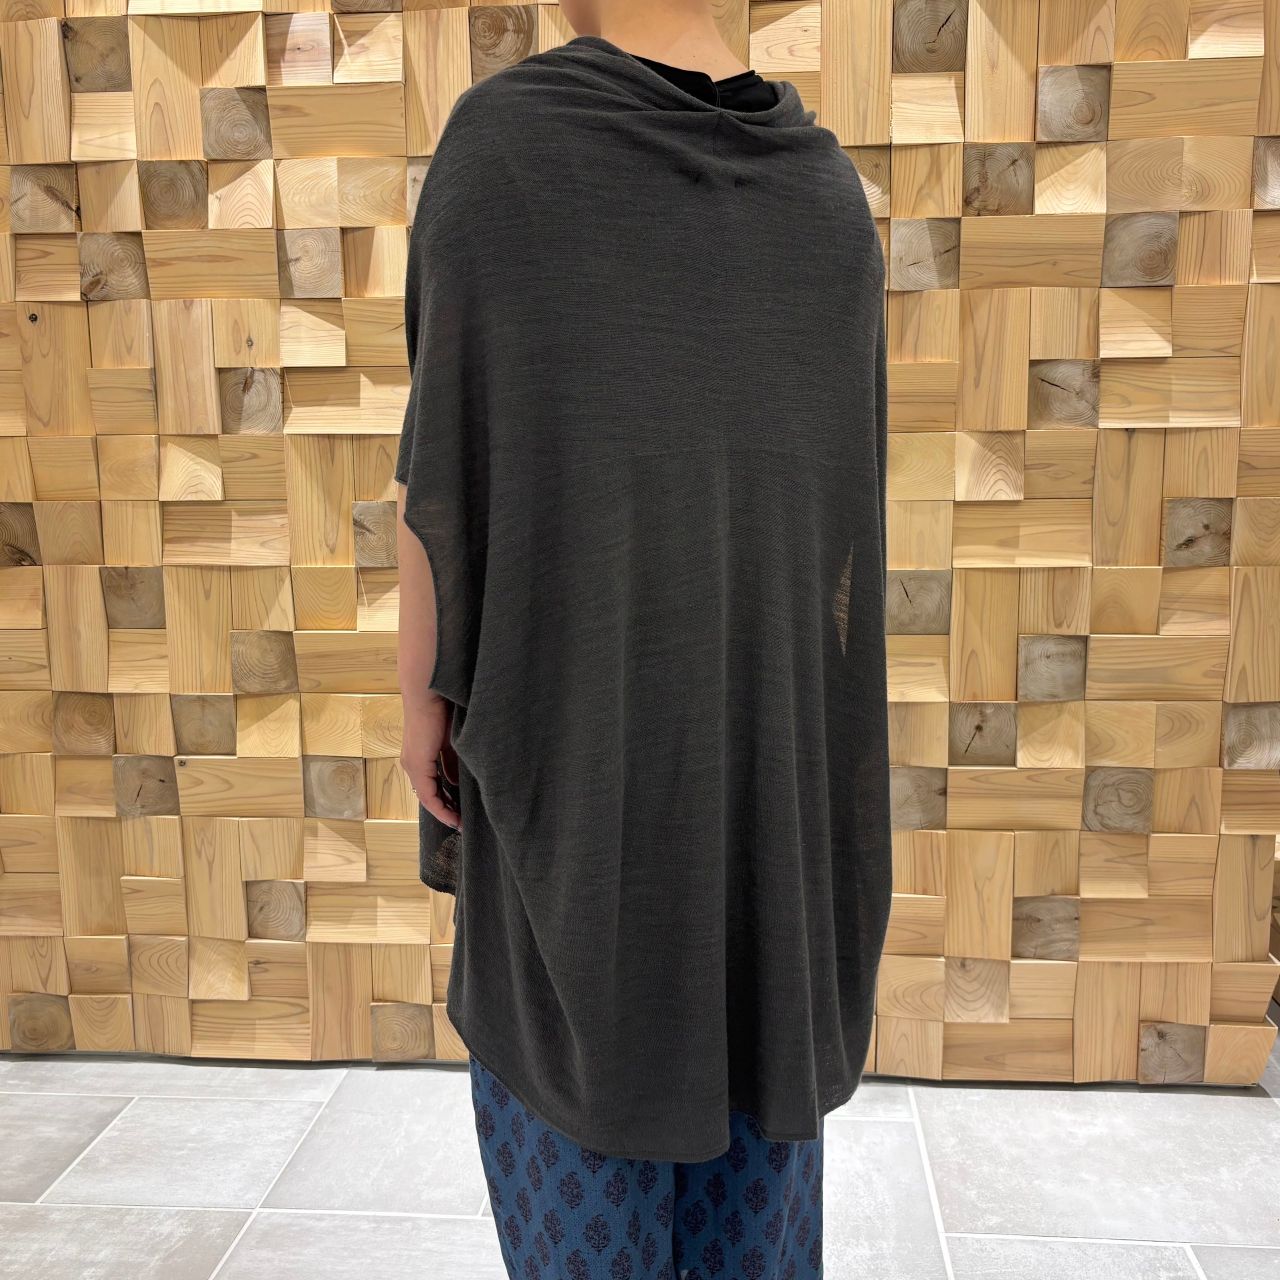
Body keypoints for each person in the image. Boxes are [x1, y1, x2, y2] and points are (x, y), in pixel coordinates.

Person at [395, 2, 892, 1275]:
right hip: (766, 800)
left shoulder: (502, 150)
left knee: (579, 1157)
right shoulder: (826, 198)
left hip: (576, 766)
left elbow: (441, 481)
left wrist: (420, 703)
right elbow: (833, 546)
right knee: (751, 1198)